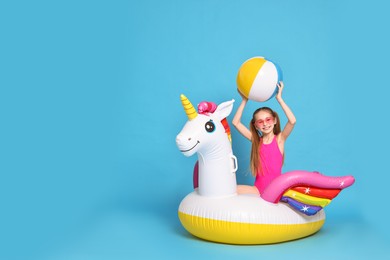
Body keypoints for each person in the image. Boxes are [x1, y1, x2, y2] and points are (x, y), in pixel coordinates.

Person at [232, 81, 296, 195]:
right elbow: (235, 123)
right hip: (258, 190)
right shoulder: (256, 141)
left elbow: (292, 121)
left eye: (268, 119)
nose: (265, 124)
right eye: (260, 122)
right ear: (256, 125)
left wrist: (279, 99)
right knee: (231, 189)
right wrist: (244, 100)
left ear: (275, 120)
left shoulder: (280, 139)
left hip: (276, 191)